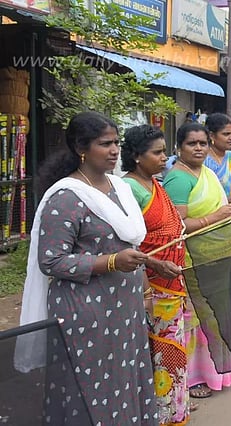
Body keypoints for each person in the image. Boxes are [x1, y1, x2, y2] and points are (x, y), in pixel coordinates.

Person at [18, 111, 157, 424]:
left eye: (116, 143)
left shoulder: (119, 188)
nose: (114, 150)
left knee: (124, 378)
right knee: (92, 383)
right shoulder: (66, 197)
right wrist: (111, 262)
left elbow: (126, 245)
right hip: (86, 313)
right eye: (105, 144)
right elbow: (51, 260)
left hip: (124, 309)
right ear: (81, 148)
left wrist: (151, 264)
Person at [162, 122, 231, 400]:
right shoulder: (178, 178)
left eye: (203, 143)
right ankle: (196, 376)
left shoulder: (205, 172)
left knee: (218, 312)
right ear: (179, 147)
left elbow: (212, 204)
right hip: (195, 259)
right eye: (191, 143)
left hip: (218, 255)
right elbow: (177, 226)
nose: (198, 148)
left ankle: (219, 370)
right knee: (200, 315)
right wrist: (214, 218)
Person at [121, 125, 191, 424]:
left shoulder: (154, 184)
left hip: (171, 280)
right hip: (150, 285)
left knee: (172, 349)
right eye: (157, 152)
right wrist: (152, 273)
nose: (165, 158)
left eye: (165, 152)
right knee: (158, 351)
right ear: (137, 156)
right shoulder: (128, 189)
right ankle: (161, 413)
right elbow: (127, 244)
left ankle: (174, 407)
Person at [203, 113, 231, 202]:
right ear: (211, 136)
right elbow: (202, 197)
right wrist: (229, 199)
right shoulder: (204, 161)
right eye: (226, 134)